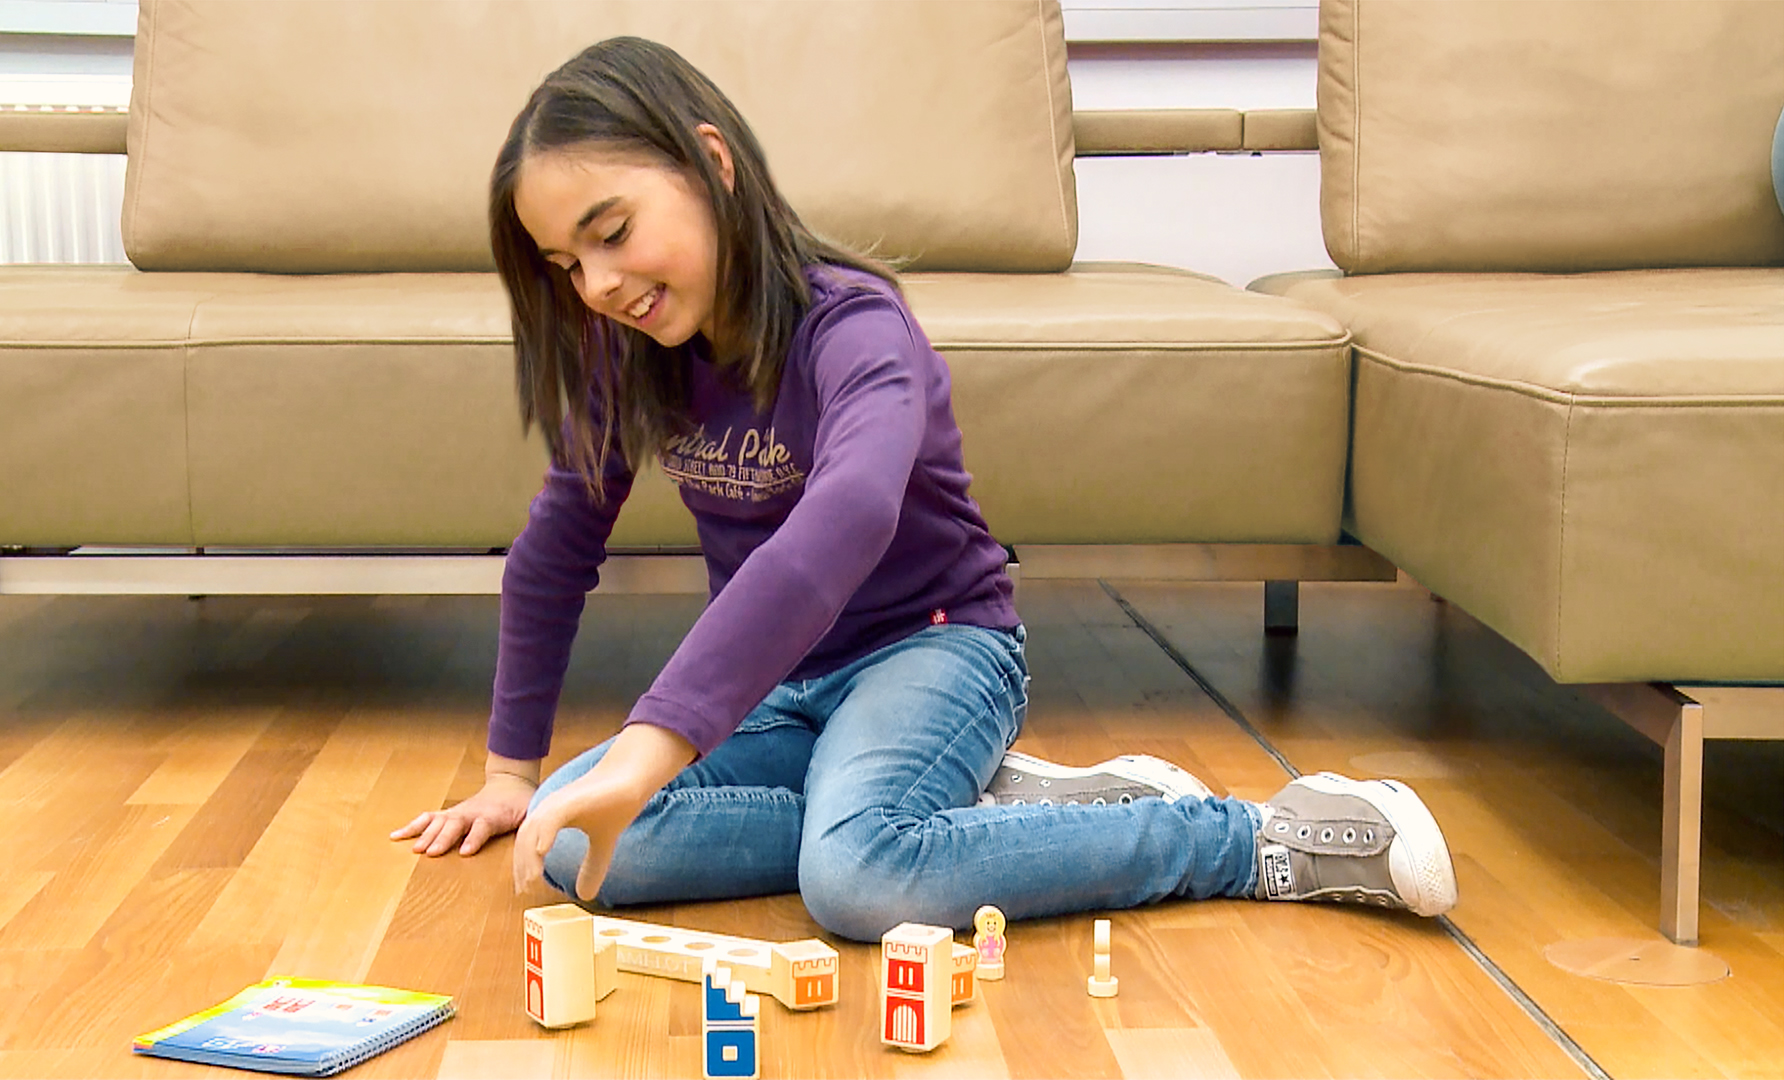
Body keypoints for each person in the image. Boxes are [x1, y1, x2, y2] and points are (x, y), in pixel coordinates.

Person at [390, 36, 1458, 942]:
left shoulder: (855, 328)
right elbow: (554, 551)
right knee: (574, 836)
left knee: (855, 880)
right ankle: (963, 813)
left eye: (611, 233)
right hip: (785, 686)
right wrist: (508, 772)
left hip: (938, 648)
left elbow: (845, 520)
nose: (599, 285)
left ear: (709, 162)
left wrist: (652, 747)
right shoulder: (632, 358)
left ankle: (1242, 836)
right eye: (565, 266)